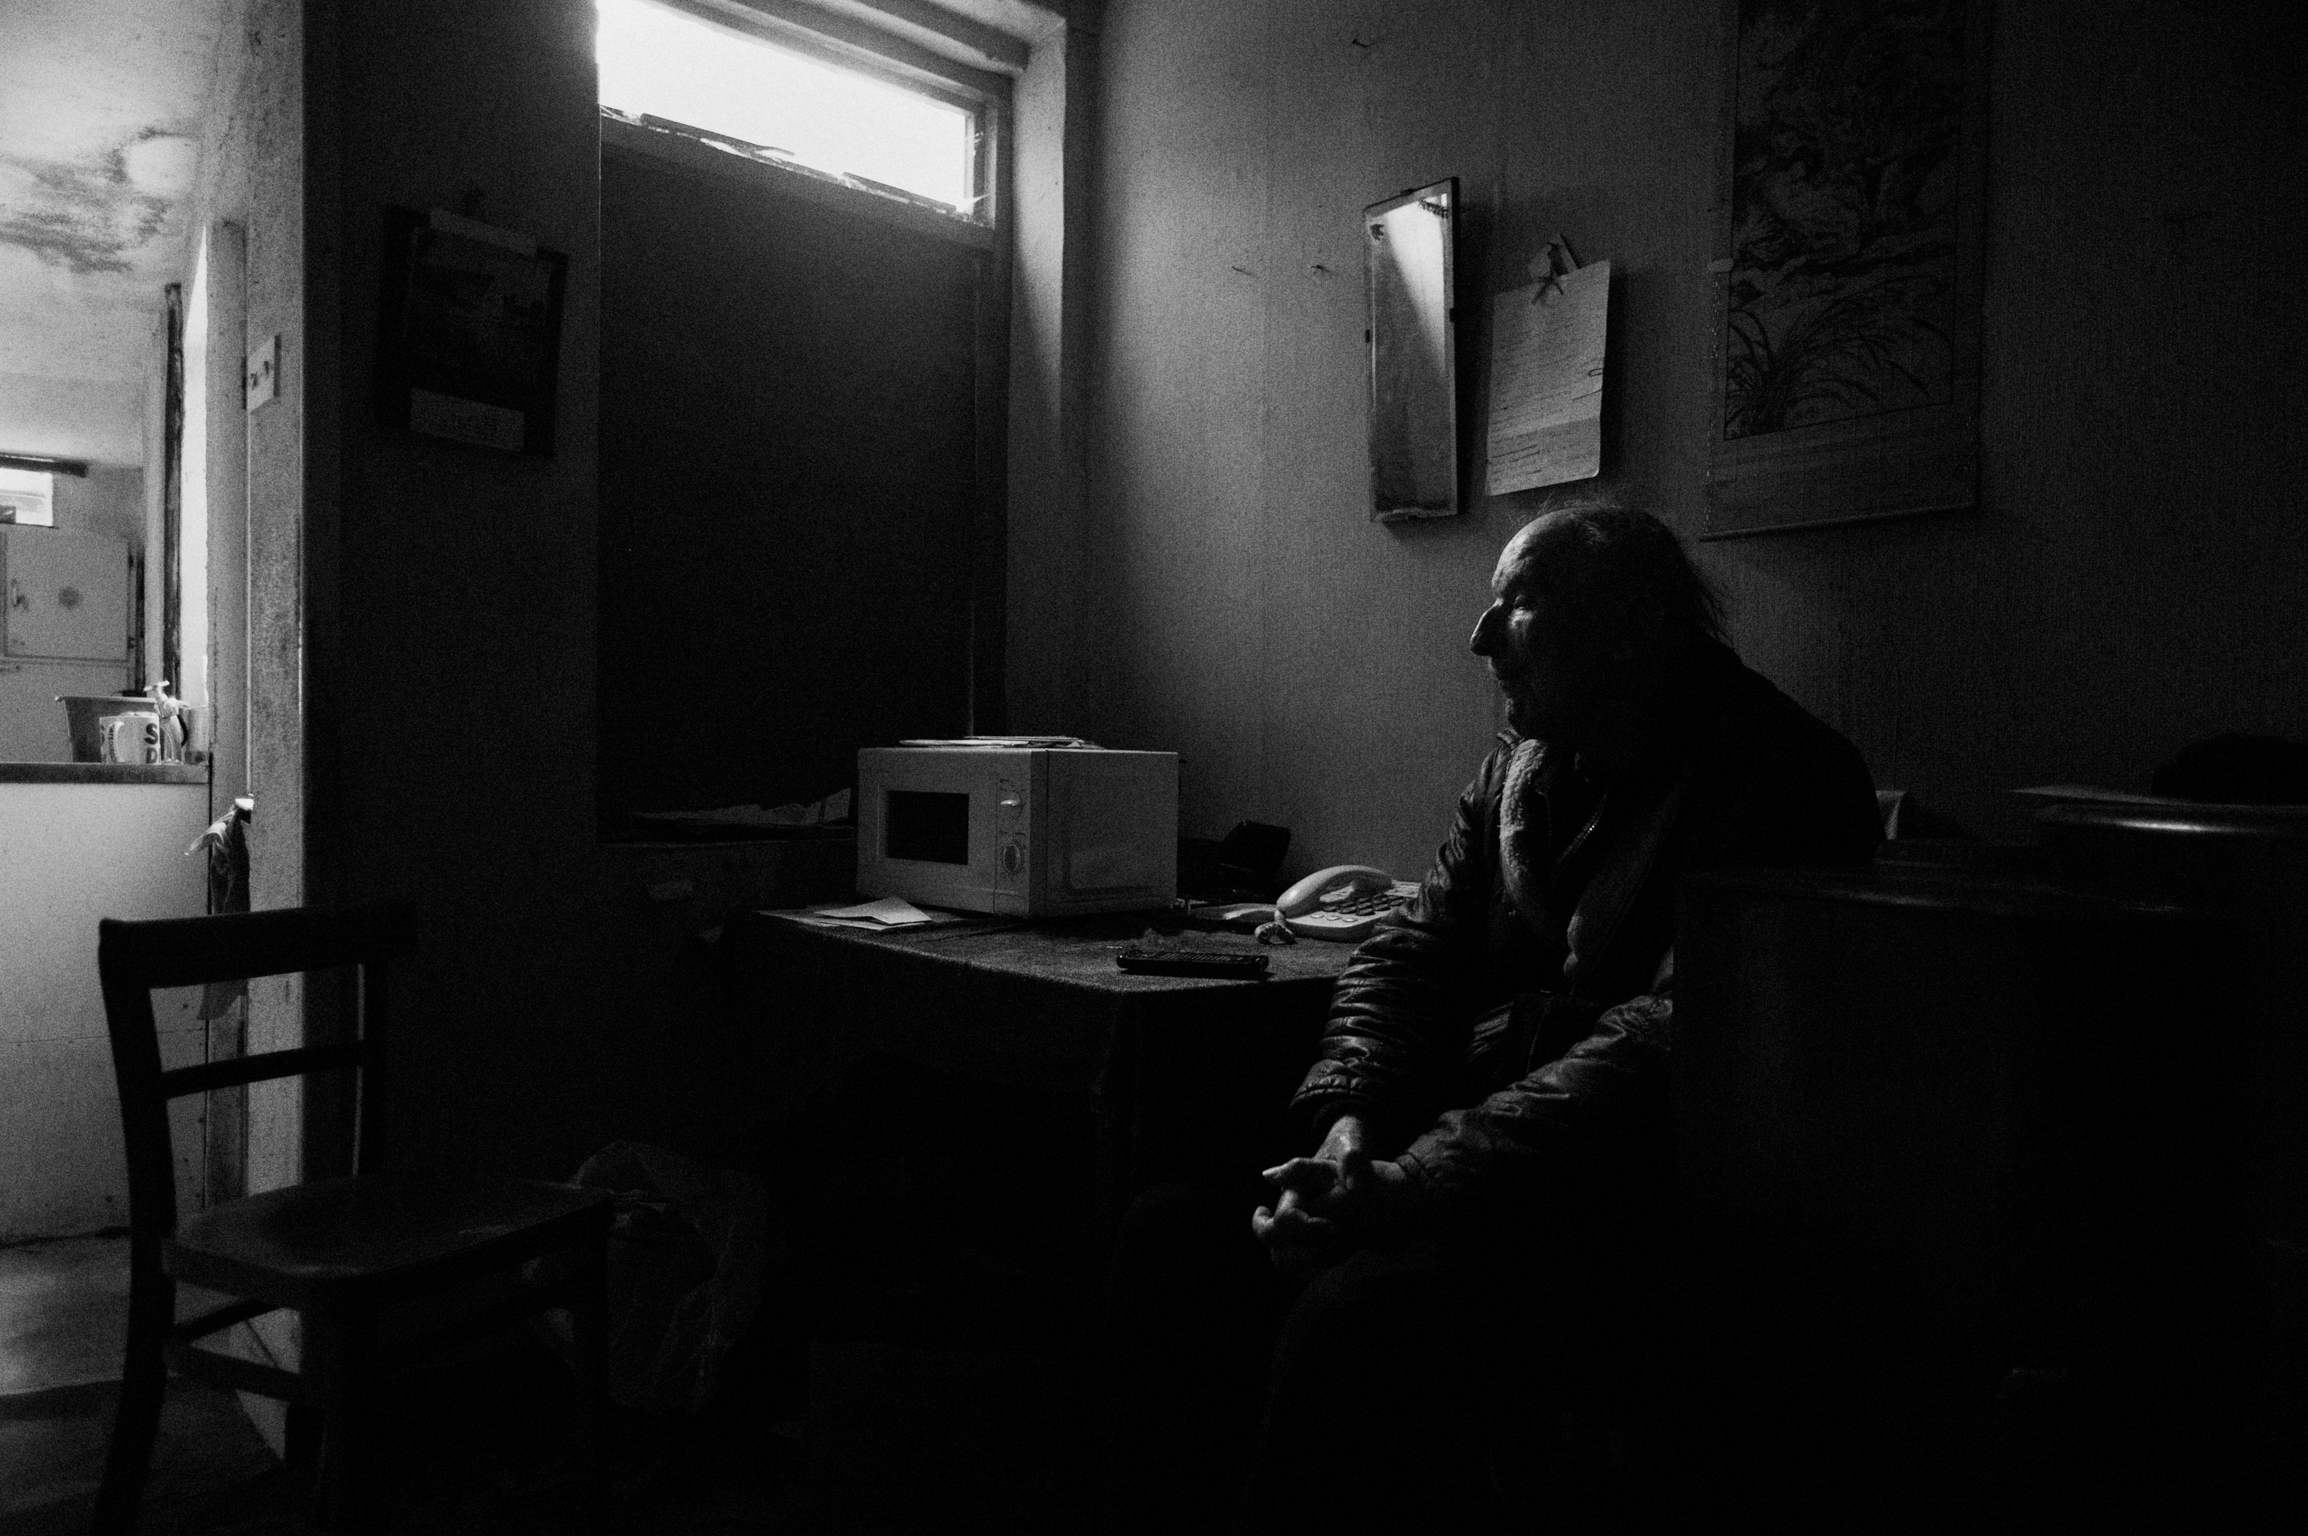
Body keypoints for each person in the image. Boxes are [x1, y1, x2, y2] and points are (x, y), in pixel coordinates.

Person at [1105, 507, 1881, 1535]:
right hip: (1456, 1157)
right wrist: (1349, 1133)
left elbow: (1666, 1043)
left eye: (1517, 604)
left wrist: (1414, 1185)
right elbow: (1410, 954)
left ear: (1631, 628)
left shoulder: (1781, 779)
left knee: (1357, 1315)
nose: (1478, 639)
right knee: (1171, 1235)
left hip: (1621, 1199)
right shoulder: (1517, 774)